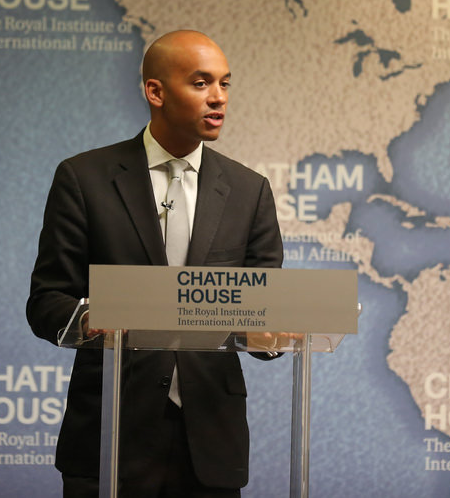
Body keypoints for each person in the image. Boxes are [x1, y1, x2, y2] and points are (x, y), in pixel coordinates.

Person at [27, 29, 284, 497]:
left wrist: (270, 333)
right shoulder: (84, 179)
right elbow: (47, 301)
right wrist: (93, 320)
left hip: (210, 443)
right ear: (156, 92)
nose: (219, 98)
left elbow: (266, 310)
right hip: (110, 435)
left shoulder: (250, 191)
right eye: (202, 83)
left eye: (225, 84)